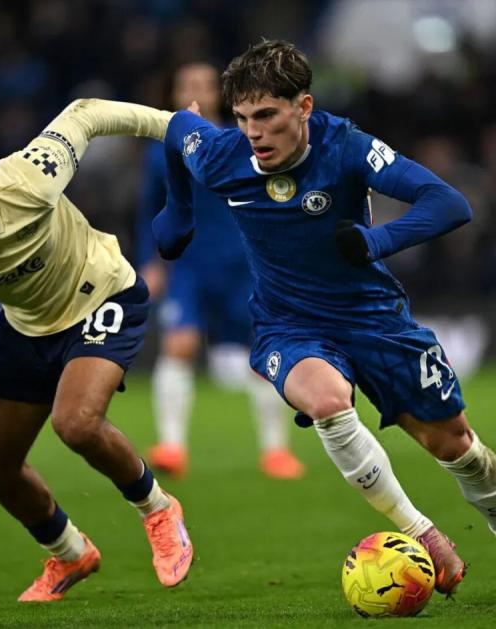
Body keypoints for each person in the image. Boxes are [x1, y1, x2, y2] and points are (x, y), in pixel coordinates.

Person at [153, 39, 496, 596]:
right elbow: (176, 131)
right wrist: (178, 211)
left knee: (455, 447)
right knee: (327, 401)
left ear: (304, 107)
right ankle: (423, 534)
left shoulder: (347, 147)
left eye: (267, 115)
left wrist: (375, 241)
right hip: (288, 325)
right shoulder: (222, 153)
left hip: (374, 318)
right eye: (242, 118)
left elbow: (448, 203)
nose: (253, 132)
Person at [0, 99, 193, 602]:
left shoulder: (27, 177)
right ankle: (70, 552)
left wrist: (179, 127)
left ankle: (158, 510)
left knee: (76, 423)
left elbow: (86, 113)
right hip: (27, 326)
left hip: (102, 293)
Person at [137, 62, 304, 479]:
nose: (196, 91)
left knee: (262, 354)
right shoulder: (161, 151)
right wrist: (150, 262)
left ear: (220, 95)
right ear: (175, 94)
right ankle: (172, 446)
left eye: (205, 85)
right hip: (189, 268)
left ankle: (276, 451)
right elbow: (149, 212)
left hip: (243, 267)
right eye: (187, 85)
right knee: (179, 345)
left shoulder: (244, 142)